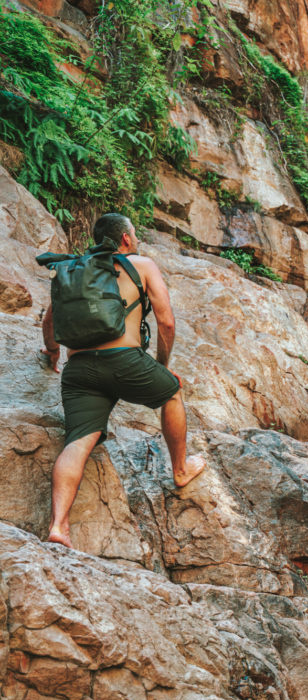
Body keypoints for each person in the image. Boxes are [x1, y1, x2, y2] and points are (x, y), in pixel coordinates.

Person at [41, 212, 206, 548]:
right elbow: (167, 322)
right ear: (127, 239)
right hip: (125, 361)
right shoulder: (142, 264)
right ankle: (180, 470)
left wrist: (53, 354)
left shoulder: (73, 268)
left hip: (79, 370)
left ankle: (59, 526)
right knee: (172, 394)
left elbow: (50, 319)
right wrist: (161, 365)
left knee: (78, 443)